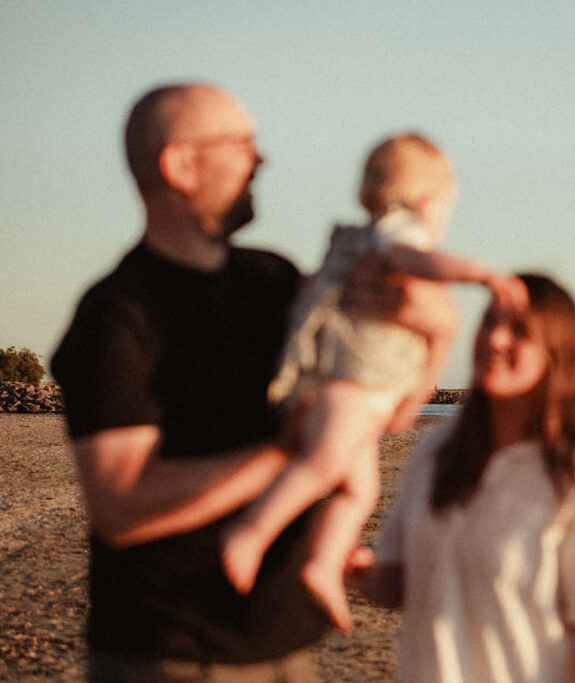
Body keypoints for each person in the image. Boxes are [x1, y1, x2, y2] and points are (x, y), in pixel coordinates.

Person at [51, 83, 457, 681]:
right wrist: (287, 452)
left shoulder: (277, 282)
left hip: (287, 643)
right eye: (242, 144)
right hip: (171, 654)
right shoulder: (118, 314)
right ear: (181, 164)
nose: (261, 159)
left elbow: (388, 412)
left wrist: (438, 329)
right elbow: (120, 506)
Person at [220, 133, 525, 631]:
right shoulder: (399, 232)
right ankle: (250, 534)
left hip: (360, 388)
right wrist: (480, 274)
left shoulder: (370, 235)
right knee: (322, 464)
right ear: (428, 200)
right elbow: (418, 263)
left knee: (359, 492)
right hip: (347, 383)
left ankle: (322, 564)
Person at [352, 274, 575, 682]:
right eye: (488, 321)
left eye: (519, 329)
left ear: (557, 352)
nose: (495, 339)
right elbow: (400, 581)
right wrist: (347, 567)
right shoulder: (438, 452)